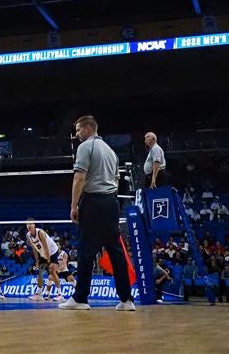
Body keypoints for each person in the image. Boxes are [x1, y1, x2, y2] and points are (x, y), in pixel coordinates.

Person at [59, 115, 136, 312]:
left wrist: (74, 206)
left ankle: (80, 298)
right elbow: (117, 180)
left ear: (87, 129)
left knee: (86, 250)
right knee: (115, 251)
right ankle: (127, 300)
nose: (76, 135)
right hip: (111, 202)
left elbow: (79, 178)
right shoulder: (111, 151)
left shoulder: (85, 147)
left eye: (78, 130)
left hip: (93, 202)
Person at [26, 219, 61, 301]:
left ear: (34, 225)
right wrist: (37, 260)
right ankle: (39, 294)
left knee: (52, 270)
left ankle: (60, 295)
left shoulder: (40, 232)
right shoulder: (28, 235)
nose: (29, 225)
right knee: (39, 272)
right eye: (27, 224)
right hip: (43, 253)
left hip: (52, 251)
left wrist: (48, 258)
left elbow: (46, 246)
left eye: (30, 223)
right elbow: (34, 249)